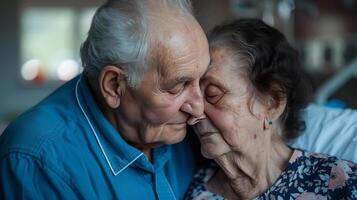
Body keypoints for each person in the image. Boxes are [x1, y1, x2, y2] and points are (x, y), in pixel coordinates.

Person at [0, 0, 210, 199]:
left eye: (203, 81)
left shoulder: (183, 126)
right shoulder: (37, 160)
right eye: (176, 87)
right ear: (113, 85)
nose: (199, 109)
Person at [185, 19, 357, 200]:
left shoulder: (337, 182)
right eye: (190, 96)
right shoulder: (194, 191)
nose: (194, 112)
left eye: (212, 94)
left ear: (272, 102)